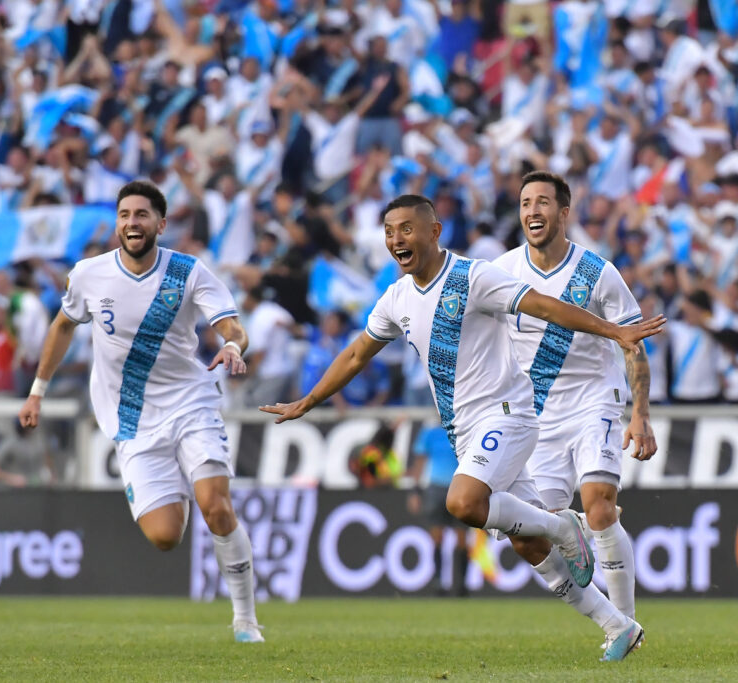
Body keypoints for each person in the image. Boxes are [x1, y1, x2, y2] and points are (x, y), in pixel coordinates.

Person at [261, 194, 665, 661]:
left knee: (464, 502)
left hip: (508, 414)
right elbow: (356, 354)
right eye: (390, 231)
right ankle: (617, 626)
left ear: (434, 232)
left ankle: (563, 527)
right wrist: (309, 400)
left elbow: (545, 307)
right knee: (525, 542)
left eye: (407, 229)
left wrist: (614, 331)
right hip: (466, 432)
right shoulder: (396, 298)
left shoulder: (474, 277)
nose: (397, 239)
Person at [18, 181, 264, 643]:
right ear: (117, 224)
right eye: (125, 215)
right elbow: (62, 325)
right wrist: (37, 391)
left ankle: (245, 619)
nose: (132, 223)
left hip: (190, 402)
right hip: (131, 418)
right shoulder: (89, 275)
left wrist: (231, 344)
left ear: (161, 224)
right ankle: (181, 483)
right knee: (166, 535)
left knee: (216, 506)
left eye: (142, 215)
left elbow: (232, 325)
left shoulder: (188, 272)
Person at [493, 171, 657, 637]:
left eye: (542, 202)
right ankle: (575, 543)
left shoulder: (598, 273)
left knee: (600, 506)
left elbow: (632, 345)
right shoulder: (501, 272)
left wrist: (641, 414)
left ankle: (625, 625)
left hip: (594, 402)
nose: (532, 212)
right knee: (530, 532)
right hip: (535, 417)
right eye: (525, 203)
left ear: (564, 213)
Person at [407, 419, 469, 596]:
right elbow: (419, 463)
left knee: (462, 539)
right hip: (436, 489)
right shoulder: (430, 433)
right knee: (437, 537)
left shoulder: (463, 429)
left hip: (459, 488)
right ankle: (438, 583)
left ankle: (462, 584)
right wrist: (415, 491)